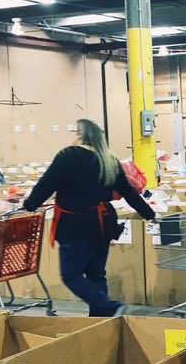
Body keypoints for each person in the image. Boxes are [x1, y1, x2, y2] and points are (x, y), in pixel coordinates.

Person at [23, 118, 155, 317]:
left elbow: (45, 185)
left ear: (79, 134)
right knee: (96, 274)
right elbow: (129, 192)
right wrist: (149, 214)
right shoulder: (109, 161)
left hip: (76, 227)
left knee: (71, 275)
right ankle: (100, 320)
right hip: (104, 225)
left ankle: (108, 306)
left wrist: (30, 204)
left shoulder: (68, 156)